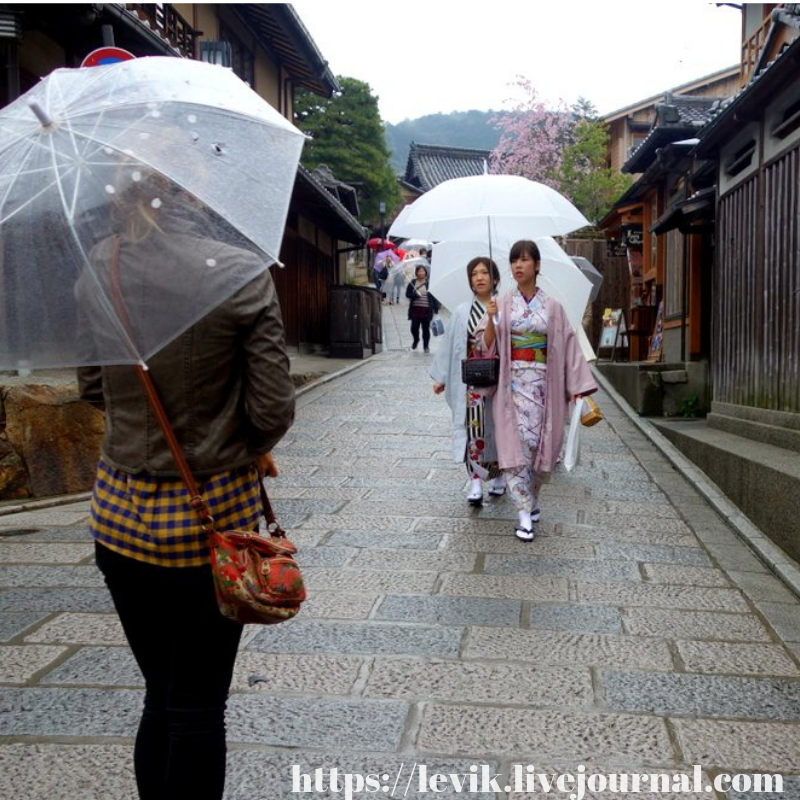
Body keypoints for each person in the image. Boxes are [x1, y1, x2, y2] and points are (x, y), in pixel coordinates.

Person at [76, 179, 295, 800]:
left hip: (118, 521)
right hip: (211, 527)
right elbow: (272, 408)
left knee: (159, 692)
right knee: (197, 707)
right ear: (196, 194)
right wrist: (237, 439)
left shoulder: (99, 263)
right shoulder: (239, 273)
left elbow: (92, 385)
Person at [485, 239, 597, 542]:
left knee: (539, 447)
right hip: (512, 387)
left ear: (537, 265)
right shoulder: (503, 303)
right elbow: (488, 346)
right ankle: (523, 513)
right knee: (516, 445)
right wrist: (491, 320)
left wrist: (578, 388)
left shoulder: (554, 307)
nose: (518, 266)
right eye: (513, 261)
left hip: (545, 388)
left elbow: (569, 346)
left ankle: (532, 498)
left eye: (524, 260)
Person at [430, 256, 505, 505]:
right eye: (474, 274)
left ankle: (498, 476)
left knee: (499, 430)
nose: (480, 278)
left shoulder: (504, 307)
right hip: (470, 381)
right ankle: (475, 480)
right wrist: (442, 377)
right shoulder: (463, 311)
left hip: (498, 381)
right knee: (474, 431)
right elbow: (450, 345)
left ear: (495, 278)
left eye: (485, 273)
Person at [405, 263, 440, 353]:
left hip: (426, 310)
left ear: (425, 272)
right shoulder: (412, 283)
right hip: (415, 310)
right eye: (419, 271)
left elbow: (434, 296)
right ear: (416, 273)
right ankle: (416, 340)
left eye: (423, 271)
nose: (421, 273)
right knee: (414, 327)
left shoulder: (429, 283)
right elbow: (408, 294)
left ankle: (426, 346)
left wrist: (436, 308)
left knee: (426, 329)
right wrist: (415, 295)